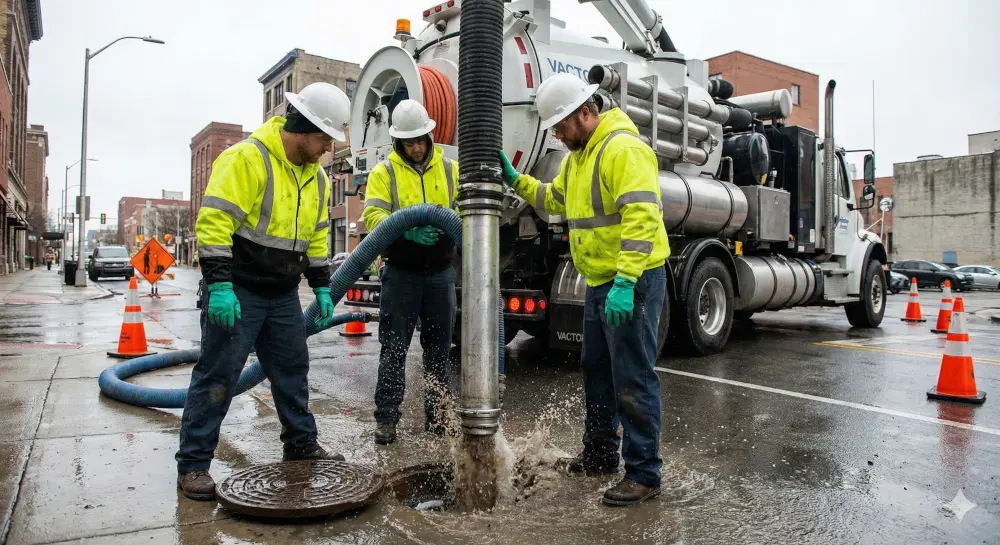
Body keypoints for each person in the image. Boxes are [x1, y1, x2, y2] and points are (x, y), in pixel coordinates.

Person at [498, 73, 669, 507]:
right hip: (599, 282)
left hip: (631, 281)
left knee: (631, 374)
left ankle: (644, 473)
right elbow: (554, 198)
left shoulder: (623, 149)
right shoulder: (579, 158)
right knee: (596, 370)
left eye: (560, 125)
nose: (556, 134)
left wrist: (626, 282)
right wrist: (516, 179)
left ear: (586, 113)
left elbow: (642, 218)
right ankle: (599, 454)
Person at [175, 82, 350, 501]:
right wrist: (219, 285)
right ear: (304, 128)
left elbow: (318, 236)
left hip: (283, 294)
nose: (327, 148)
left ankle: (301, 445)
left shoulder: (317, 179)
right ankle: (194, 465)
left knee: (292, 371)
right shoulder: (246, 160)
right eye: (324, 137)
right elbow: (215, 223)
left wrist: (322, 287)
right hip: (239, 290)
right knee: (219, 374)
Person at [362, 99, 467, 445]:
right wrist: (405, 231)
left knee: (439, 351)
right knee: (394, 348)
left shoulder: (449, 169)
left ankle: (437, 420)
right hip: (402, 272)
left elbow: (464, 213)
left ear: (429, 136)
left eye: (421, 139)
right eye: (409, 142)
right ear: (398, 142)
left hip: (440, 273)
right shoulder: (384, 173)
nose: (417, 147)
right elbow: (373, 219)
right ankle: (387, 419)